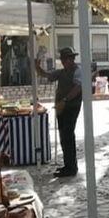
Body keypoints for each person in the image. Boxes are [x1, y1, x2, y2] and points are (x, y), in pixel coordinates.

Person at [35, 47, 82, 177]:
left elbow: (78, 88)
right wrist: (37, 68)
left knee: (68, 136)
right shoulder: (61, 72)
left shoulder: (78, 71)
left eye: (69, 58)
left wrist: (65, 100)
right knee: (63, 137)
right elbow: (47, 75)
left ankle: (71, 168)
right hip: (62, 109)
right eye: (65, 58)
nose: (67, 61)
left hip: (71, 108)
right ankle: (68, 166)